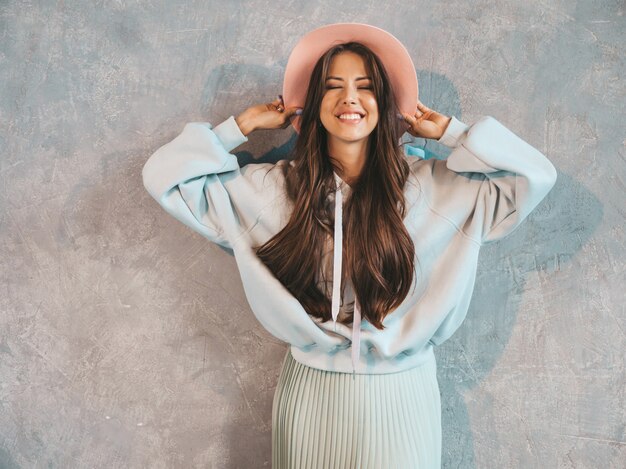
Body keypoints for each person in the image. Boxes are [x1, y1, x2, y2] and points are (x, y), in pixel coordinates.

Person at [142, 23, 557, 469]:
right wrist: (239, 127)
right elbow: (165, 176)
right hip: (310, 398)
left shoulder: (436, 189)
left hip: (403, 397)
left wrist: (454, 134)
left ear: (387, 102)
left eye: (365, 87)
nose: (350, 99)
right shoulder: (277, 190)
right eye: (333, 87)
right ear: (315, 103)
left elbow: (533, 177)